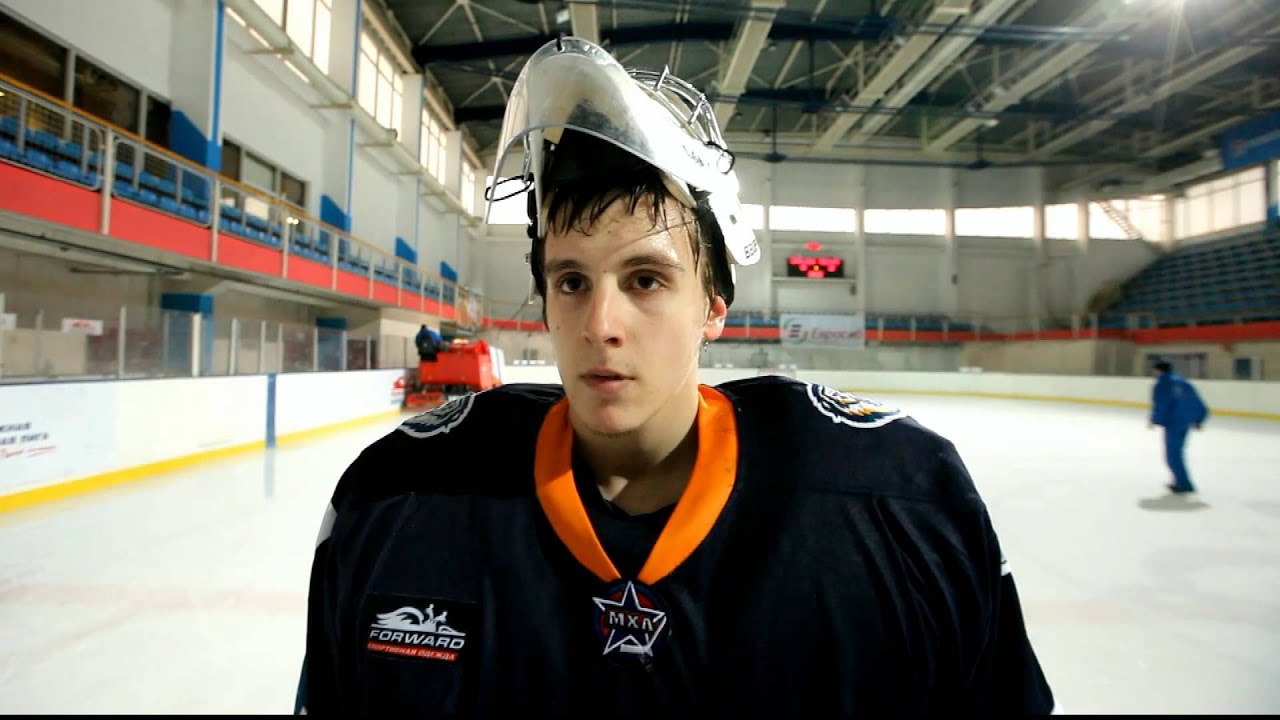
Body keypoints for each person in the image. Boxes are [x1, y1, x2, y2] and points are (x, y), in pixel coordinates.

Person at [295, 36, 1056, 716]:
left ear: (713, 307)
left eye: (646, 280)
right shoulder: (391, 502)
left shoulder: (903, 508)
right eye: (571, 281)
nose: (600, 324)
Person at [1148, 359, 1209, 494]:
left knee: (1173, 455)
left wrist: (1154, 419)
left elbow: (1161, 403)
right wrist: (1199, 418)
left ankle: (1184, 483)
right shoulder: (1184, 382)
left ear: (1158, 370)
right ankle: (1180, 481)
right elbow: (1196, 401)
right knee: (1178, 453)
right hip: (1185, 421)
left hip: (1174, 422)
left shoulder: (1162, 383)